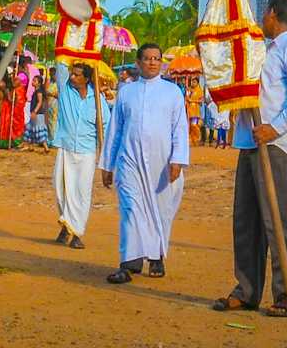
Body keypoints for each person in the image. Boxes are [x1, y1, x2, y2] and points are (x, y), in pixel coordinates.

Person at [213, 0, 287, 319]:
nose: (262, 19)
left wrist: (275, 127)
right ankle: (246, 290)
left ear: (273, 13)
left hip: (274, 146)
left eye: (265, 14)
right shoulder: (263, 51)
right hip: (249, 142)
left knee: (280, 222)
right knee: (246, 220)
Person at [100, 43, 189, 283]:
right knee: (130, 210)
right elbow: (115, 130)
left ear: (161, 63)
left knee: (160, 211)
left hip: (162, 164)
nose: (152, 62)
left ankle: (157, 256)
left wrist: (178, 159)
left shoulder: (172, 93)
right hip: (129, 161)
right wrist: (107, 165)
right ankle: (129, 263)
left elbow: (180, 129)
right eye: (147, 58)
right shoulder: (126, 92)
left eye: (156, 59)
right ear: (138, 63)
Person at [52, 60, 108, 250]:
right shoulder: (65, 90)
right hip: (65, 147)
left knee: (82, 192)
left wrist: (106, 153)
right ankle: (66, 226)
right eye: (72, 73)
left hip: (87, 152)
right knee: (62, 190)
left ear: (87, 79)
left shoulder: (97, 99)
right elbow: (60, 64)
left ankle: (76, 232)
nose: (72, 77)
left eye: (77, 75)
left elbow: (105, 125)